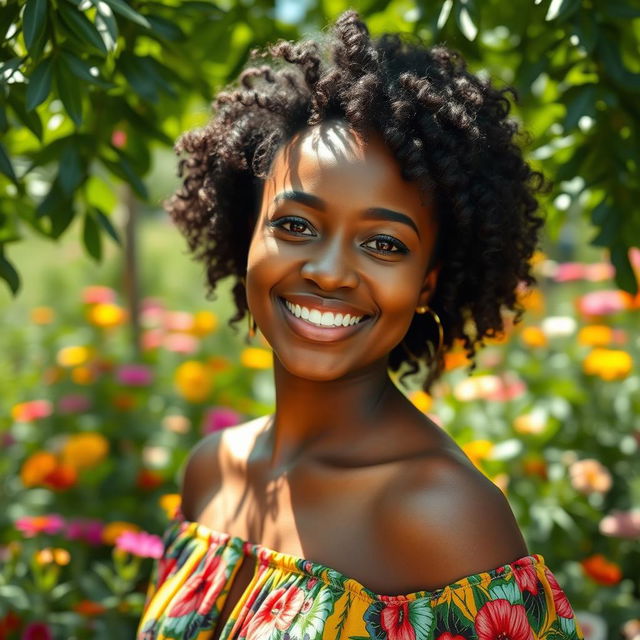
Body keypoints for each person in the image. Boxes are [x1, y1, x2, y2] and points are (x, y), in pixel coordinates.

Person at [137, 10, 583, 640]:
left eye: (383, 244)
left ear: (428, 281)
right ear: (247, 236)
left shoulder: (443, 516)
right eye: (294, 226)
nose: (328, 272)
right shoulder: (212, 471)